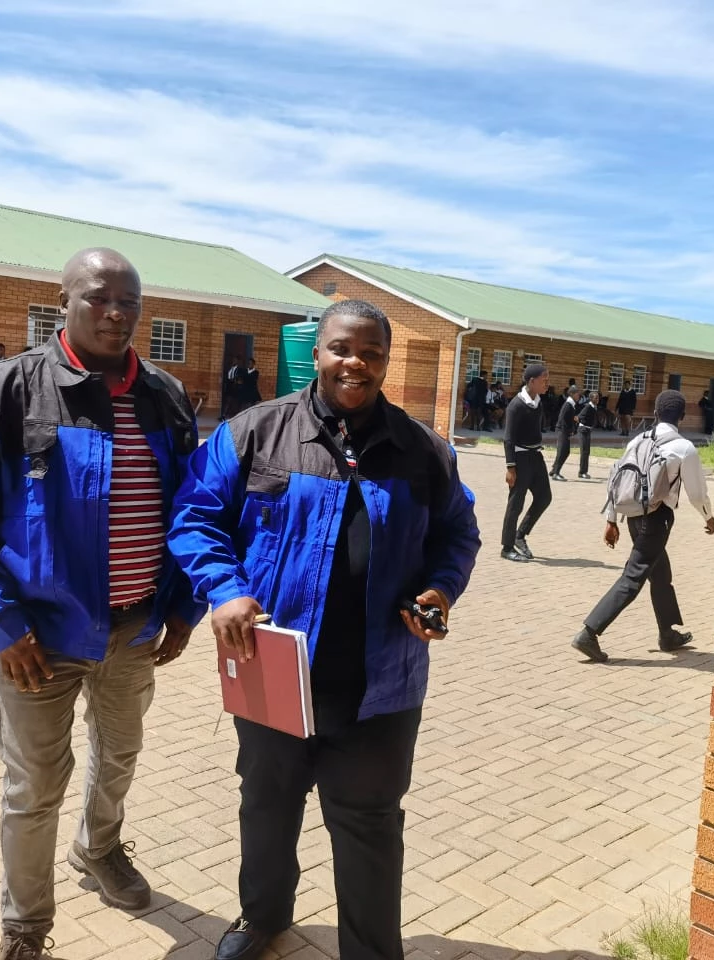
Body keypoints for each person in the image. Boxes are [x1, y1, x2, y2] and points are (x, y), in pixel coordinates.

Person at [168, 298, 481, 960]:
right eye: (342, 348)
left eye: (371, 353)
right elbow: (195, 514)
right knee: (267, 805)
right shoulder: (255, 432)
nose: (354, 363)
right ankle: (262, 918)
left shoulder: (424, 452)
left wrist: (441, 589)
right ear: (317, 352)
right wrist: (224, 589)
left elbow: (458, 533)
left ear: (386, 363)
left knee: (369, 825)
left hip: (380, 683)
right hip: (275, 671)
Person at [0, 248, 203, 960]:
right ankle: (25, 926)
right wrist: (4, 624)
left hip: (134, 629)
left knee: (120, 756)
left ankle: (99, 849)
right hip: (38, 640)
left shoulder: (166, 397)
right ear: (64, 302)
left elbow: (194, 511)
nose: (115, 313)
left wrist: (183, 606)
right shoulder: (5, 391)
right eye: (98, 297)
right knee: (35, 786)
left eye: (129, 302)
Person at [570, 390, 714, 663]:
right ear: (682, 416)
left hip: (634, 516)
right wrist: (708, 517)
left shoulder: (638, 440)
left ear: (656, 414)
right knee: (633, 577)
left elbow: (618, 478)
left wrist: (611, 519)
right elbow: (697, 494)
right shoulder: (684, 448)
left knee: (660, 574)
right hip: (657, 519)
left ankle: (667, 634)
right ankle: (589, 633)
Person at [500, 362, 552, 562]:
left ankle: (520, 535)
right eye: (543, 380)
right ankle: (507, 547)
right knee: (516, 503)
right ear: (531, 381)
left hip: (535, 457)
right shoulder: (516, 405)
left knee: (544, 497)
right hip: (520, 459)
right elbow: (508, 439)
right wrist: (510, 467)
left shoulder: (538, 402)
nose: (547, 383)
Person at [549, 384, 579, 481]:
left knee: (563, 451)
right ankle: (556, 473)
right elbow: (563, 419)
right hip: (563, 430)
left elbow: (570, 419)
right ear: (572, 394)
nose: (578, 395)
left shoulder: (571, 404)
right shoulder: (568, 405)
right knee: (563, 451)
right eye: (577, 393)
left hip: (564, 430)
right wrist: (569, 431)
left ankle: (554, 470)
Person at [577, 391, 598, 479]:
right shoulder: (588, 407)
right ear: (591, 398)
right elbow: (578, 417)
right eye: (596, 398)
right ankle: (582, 472)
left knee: (587, 451)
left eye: (598, 398)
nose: (597, 399)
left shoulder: (594, 407)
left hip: (588, 430)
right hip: (583, 430)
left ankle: (584, 471)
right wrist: (582, 425)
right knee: (584, 451)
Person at [221, 355, 242, 420]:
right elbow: (227, 377)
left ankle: (232, 416)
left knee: (233, 402)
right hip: (229, 387)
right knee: (227, 401)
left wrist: (236, 381)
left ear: (238, 361)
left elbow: (239, 379)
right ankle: (224, 415)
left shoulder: (239, 369)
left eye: (235, 360)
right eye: (233, 360)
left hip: (235, 387)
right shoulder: (230, 368)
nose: (233, 361)